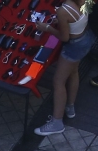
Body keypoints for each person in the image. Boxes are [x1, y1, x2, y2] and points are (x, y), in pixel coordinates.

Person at [33, 0, 91, 136]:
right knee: (73, 71)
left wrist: (47, 28)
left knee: (58, 82)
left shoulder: (63, 11)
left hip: (73, 47)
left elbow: (64, 37)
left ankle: (57, 123)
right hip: (85, 39)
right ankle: (70, 107)